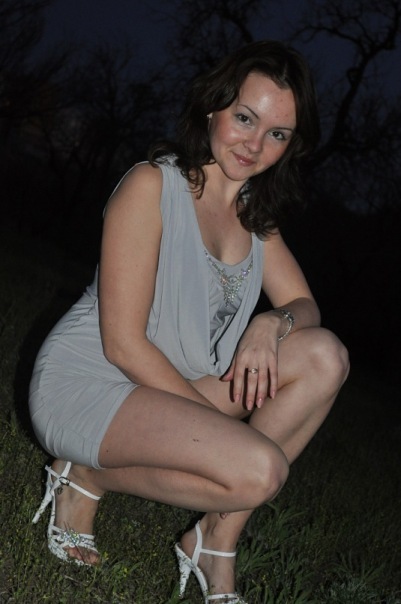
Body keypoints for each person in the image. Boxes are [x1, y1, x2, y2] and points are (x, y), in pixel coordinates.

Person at [29, 40, 349, 604]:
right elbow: (123, 345)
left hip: (173, 389)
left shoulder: (256, 221)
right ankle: (84, 475)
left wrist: (270, 324)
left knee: (326, 355)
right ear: (212, 109)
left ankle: (214, 539)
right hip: (92, 384)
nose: (255, 144)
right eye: (245, 118)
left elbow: (305, 307)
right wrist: (215, 424)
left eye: (277, 133)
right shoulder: (152, 186)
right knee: (260, 471)